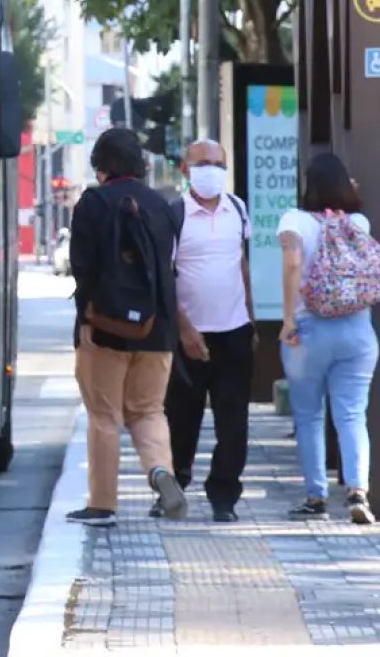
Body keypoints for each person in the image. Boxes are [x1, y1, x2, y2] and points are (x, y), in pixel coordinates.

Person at [65, 128, 186, 527]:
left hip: (104, 329)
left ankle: (102, 504)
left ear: (100, 165)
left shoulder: (92, 204)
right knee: (148, 410)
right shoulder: (163, 205)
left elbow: (83, 270)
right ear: (141, 164)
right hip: (158, 329)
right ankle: (160, 471)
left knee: (104, 415)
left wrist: (88, 318)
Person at [279, 152, 379, 525]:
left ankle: (315, 496)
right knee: (353, 414)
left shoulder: (295, 221)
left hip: (310, 330)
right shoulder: (359, 222)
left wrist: (288, 319)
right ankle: (357, 491)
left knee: (309, 416)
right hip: (358, 331)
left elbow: (291, 263)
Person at [165, 138, 253, 522]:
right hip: (189, 335)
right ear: (186, 169)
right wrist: (184, 328)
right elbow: (165, 278)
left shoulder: (238, 209)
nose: (212, 170)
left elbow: (242, 265)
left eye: (219, 163)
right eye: (203, 162)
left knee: (233, 421)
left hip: (233, 331)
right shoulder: (174, 214)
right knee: (181, 419)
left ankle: (224, 496)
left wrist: (250, 318)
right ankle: (174, 486)